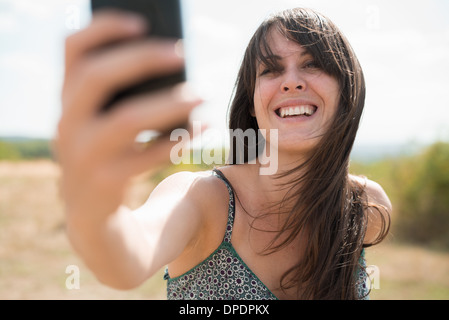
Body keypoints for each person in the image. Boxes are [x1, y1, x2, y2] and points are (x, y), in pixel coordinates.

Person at [56, 7, 391, 300]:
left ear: (346, 91)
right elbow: (123, 262)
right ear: (253, 104)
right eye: (271, 70)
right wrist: (94, 208)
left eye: (313, 65)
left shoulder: (365, 209)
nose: (291, 82)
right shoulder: (204, 199)